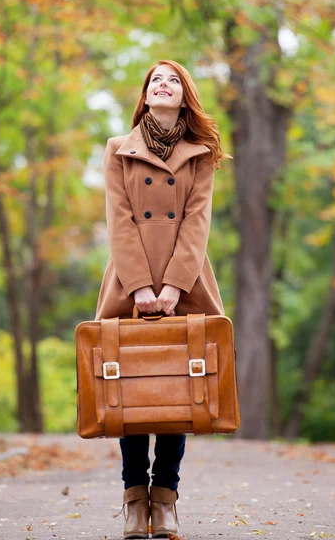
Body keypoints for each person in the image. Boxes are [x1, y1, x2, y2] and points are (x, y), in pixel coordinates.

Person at [95, 59, 230, 539]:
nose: (164, 85)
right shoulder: (118, 150)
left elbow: (198, 222)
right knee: (130, 392)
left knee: (177, 392)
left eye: (174, 80)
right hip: (129, 283)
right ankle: (135, 501)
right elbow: (119, 222)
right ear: (146, 95)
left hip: (186, 281)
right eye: (156, 80)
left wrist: (174, 285)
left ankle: (166, 500)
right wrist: (141, 287)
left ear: (184, 94)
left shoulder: (201, 153)